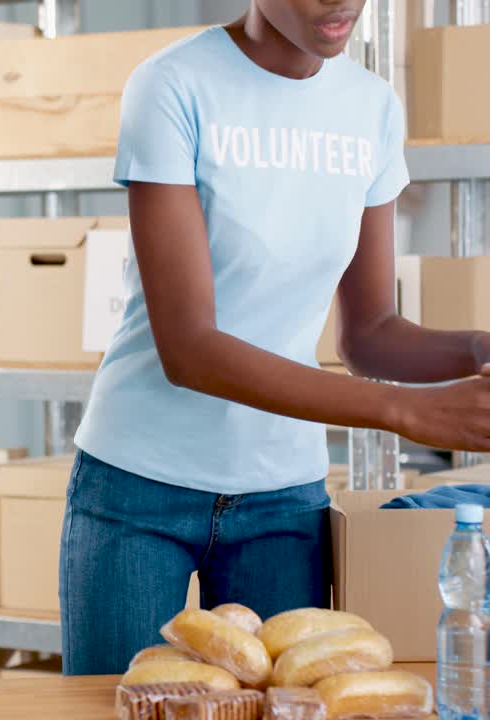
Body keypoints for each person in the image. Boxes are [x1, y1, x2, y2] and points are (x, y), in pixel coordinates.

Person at [62, 0, 490, 675]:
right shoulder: (173, 84)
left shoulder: (372, 106)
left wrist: (477, 351)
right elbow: (189, 347)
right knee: (120, 709)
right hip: (139, 485)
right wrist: (407, 412)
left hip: (284, 498)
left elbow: (372, 334)